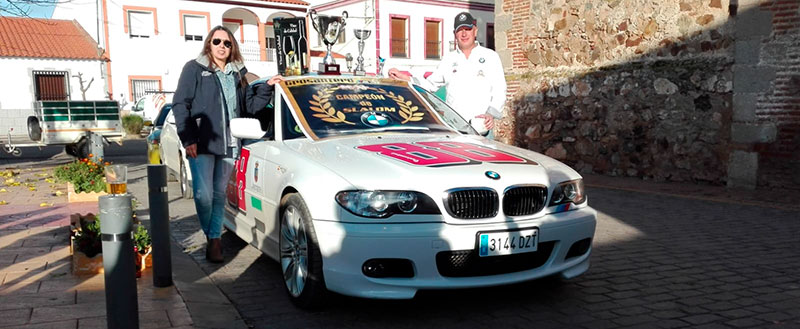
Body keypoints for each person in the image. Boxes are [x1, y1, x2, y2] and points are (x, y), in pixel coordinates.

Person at [172, 26, 283, 263]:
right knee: (202, 195)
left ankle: (214, 240)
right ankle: (212, 233)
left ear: (232, 47)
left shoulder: (238, 73)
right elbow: (181, 104)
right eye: (217, 42)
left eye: (227, 43)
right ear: (208, 44)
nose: (222, 46)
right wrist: (188, 138)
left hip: (230, 143)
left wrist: (267, 87)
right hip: (202, 142)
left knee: (219, 194)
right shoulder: (194, 68)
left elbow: (249, 107)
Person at [388, 12, 506, 139]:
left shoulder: (490, 57)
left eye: (468, 29)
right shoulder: (449, 59)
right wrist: (405, 78)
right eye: (460, 30)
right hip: (455, 129)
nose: (464, 34)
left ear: (475, 31)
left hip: (482, 130)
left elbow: (500, 89)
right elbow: (431, 85)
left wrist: (490, 114)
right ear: (455, 34)